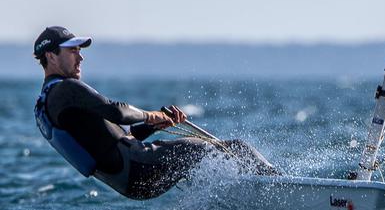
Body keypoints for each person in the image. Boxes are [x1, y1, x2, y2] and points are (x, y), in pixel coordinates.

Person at [33, 26, 279, 200]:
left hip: (132, 179)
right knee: (234, 148)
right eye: (72, 51)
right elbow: (116, 111)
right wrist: (152, 115)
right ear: (51, 56)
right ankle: (280, 187)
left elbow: (113, 141)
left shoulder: (49, 102)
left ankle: (239, 203)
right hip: (140, 167)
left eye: (79, 50)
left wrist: (152, 126)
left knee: (210, 163)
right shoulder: (66, 90)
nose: (81, 57)